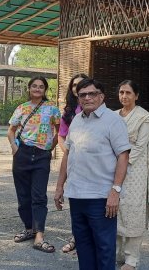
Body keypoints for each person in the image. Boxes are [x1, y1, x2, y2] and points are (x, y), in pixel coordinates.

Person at [54, 78, 131, 269]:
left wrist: (115, 190)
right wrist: (59, 186)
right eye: (82, 95)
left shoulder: (113, 121)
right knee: (83, 246)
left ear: (101, 96)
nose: (87, 98)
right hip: (77, 194)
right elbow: (68, 154)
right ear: (78, 98)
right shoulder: (77, 121)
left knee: (104, 248)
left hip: (101, 197)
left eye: (92, 93)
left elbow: (123, 156)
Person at [7, 76, 61, 253]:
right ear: (29, 88)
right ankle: (29, 228)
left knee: (38, 196)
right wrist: (15, 148)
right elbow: (11, 130)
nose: (37, 89)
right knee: (23, 196)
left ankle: (39, 236)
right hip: (22, 154)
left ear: (45, 90)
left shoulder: (52, 108)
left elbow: (58, 132)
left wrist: (48, 150)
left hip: (41, 156)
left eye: (41, 87)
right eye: (34, 86)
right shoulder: (22, 108)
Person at [114, 80, 149, 270]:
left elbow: (140, 147)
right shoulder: (113, 116)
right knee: (114, 209)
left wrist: (120, 163)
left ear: (136, 95)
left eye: (128, 93)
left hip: (135, 170)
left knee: (133, 211)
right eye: (121, 92)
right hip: (114, 167)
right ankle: (115, 253)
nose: (124, 96)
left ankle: (131, 259)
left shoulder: (144, 118)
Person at [58, 73, 89, 254]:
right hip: (73, 162)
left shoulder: (95, 108)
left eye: (81, 84)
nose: (78, 88)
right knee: (75, 200)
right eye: (75, 85)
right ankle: (76, 237)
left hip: (93, 164)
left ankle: (86, 237)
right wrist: (68, 154)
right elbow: (62, 136)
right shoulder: (69, 112)